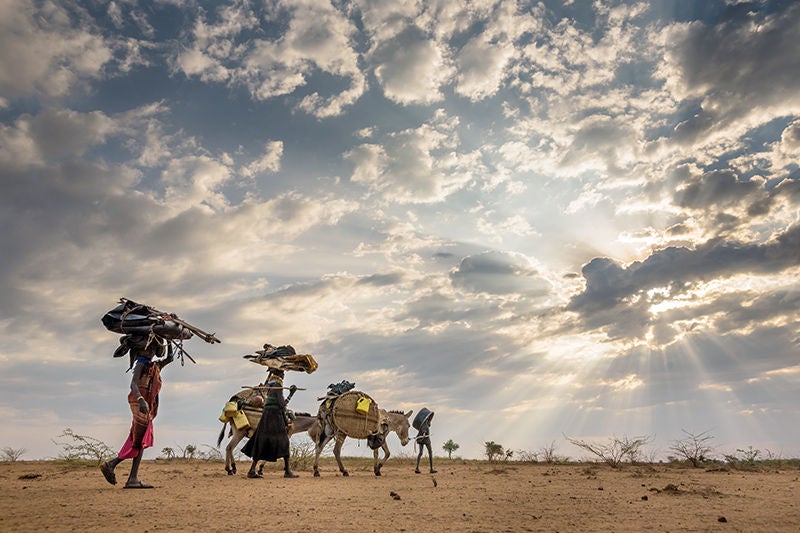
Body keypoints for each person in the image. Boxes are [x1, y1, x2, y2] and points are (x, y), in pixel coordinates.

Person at [100, 336, 174, 488]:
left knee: (138, 438)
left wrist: (170, 340)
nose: (151, 351)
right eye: (149, 348)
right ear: (141, 349)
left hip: (145, 404)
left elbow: (170, 358)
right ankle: (121, 470)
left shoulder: (154, 365)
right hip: (139, 402)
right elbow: (133, 384)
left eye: (153, 348)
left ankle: (124, 472)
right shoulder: (141, 363)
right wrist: (141, 400)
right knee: (140, 438)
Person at [241, 369, 298, 478]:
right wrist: (291, 394)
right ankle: (287, 471)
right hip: (275, 417)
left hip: (266, 416)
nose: (283, 375)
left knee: (262, 441)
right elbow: (282, 404)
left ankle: (252, 470)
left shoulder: (269, 385)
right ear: (280, 375)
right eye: (282, 373)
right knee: (285, 442)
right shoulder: (277, 385)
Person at [413, 407, 437, 474]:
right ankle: (431, 469)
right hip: (425, 439)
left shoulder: (424, 423)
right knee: (430, 452)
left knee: (420, 453)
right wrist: (424, 434)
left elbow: (425, 428)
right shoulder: (424, 424)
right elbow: (424, 431)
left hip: (420, 439)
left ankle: (417, 468)